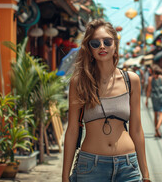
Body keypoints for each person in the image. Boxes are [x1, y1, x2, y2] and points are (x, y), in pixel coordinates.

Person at [62, 19, 150, 182]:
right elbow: (72, 130)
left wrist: (145, 174)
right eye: (95, 43)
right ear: (89, 49)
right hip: (90, 167)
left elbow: (137, 129)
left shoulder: (131, 80)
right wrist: (64, 176)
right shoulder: (79, 82)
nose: (102, 46)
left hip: (128, 166)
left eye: (107, 41)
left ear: (115, 45)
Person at [145, 64, 162, 138]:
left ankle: (156, 131)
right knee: (161, 114)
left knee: (155, 114)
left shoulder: (150, 79)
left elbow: (149, 89)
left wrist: (147, 99)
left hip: (154, 98)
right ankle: (158, 127)